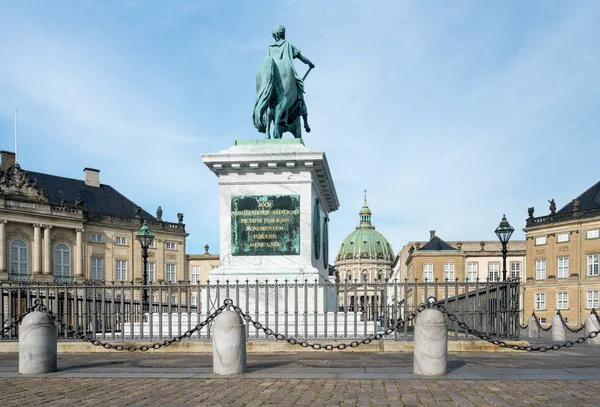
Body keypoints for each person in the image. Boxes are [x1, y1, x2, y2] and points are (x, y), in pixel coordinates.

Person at [267, 25, 315, 133]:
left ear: (274, 36)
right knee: (300, 94)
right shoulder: (288, 44)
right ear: (283, 34)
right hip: (287, 76)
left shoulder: (270, 47)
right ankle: (305, 122)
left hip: (273, 76)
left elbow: (267, 63)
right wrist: (310, 64)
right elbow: (302, 58)